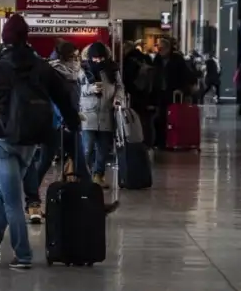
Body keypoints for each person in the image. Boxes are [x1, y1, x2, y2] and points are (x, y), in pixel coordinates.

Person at [0, 14, 80, 268]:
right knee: (5, 197)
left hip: (3, 137)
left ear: (5, 39)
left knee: (12, 200)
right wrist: (73, 123)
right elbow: (64, 96)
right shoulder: (41, 66)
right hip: (32, 139)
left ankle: (23, 255)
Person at [21, 41, 90, 223]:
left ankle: (92, 201)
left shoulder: (77, 71)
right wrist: (63, 118)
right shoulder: (51, 71)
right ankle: (32, 201)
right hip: (53, 124)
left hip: (71, 121)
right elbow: (53, 98)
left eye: (77, 55)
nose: (76, 59)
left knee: (80, 161)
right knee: (44, 161)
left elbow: (74, 97)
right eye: (73, 55)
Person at [80, 42, 124, 188]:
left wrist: (118, 99)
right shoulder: (83, 69)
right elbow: (77, 89)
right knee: (87, 147)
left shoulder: (112, 69)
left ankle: (98, 175)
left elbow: (119, 86)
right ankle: (83, 175)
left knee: (104, 149)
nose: (98, 61)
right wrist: (90, 88)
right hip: (88, 114)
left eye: (101, 58)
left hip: (107, 113)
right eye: (95, 58)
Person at [152, 37, 197, 149]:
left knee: (173, 118)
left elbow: (186, 75)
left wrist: (182, 89)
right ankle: (160, 142)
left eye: (162, 48)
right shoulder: (157, 59)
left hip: (173, 93)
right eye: (159, 48)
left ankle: (172, 140)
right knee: (160, 118)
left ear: (168, 48)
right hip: (160, 93)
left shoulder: (177, 59)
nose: (160, 50)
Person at [122, 40, 156, 148]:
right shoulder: (146, 58)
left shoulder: (128, 60)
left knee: (134, 119)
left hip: (134, 95)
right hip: (147, 95)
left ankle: (136, 142)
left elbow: (127, 78)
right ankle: (148, 142)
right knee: (146, 120)